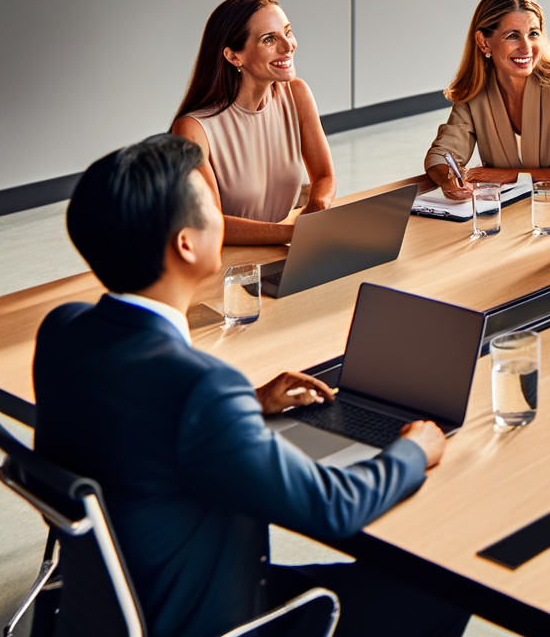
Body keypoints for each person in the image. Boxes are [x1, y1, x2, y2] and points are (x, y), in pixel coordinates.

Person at [33, 135, 468, 637]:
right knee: (444, 587)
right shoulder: (201, 388)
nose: (220, 214)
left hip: (116, 602)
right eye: (212, 205)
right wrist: (414, 450)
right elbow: (333, 507)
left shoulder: (64, 329)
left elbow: (133, 418)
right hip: (212, 615)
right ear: (186, 244)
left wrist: (250, 403)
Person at [171, 0, 336, 245]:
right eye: (269, 39)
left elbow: (324, 176)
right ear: (234, 57)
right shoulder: (192, 129)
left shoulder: (296, 94)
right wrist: (296, 234)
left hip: (283, 250)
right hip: (223, 263)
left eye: (287, 32)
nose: (288, 45)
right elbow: (211, 222)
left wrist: (317, 207)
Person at [424, 0, 550, 197]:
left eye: (533, 33)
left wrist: (509, 175)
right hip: (509, 211)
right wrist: (449, 179)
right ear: (483, 42)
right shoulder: (477, 90)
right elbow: (440, 154)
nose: (526, 48)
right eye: (512, 36)